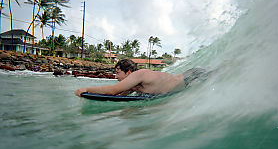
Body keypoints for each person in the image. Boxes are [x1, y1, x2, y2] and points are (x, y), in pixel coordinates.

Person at [75, 59, 207, 97]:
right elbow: (119, 96)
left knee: (220, 75)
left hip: (191, 76)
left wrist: (86, 89)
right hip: (186, 83)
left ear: (129, 72)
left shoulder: (138, 75)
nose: (116, 77)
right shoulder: (135, 85)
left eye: (118, 72)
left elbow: (113, 90)